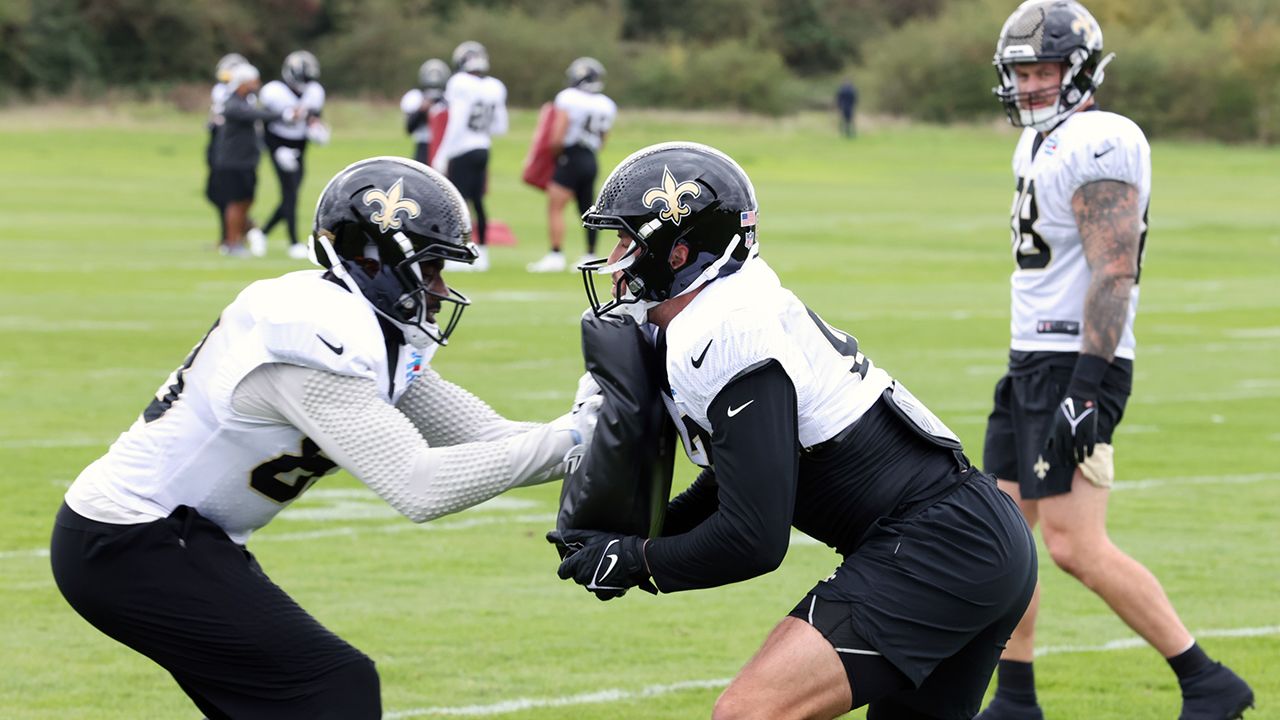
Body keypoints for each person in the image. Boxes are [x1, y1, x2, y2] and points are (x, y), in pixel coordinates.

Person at [50, 156, 601, 719]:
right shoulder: (312, 341)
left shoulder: (371, 333)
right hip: (128, 540)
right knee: (334, 685)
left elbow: (489, 435)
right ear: (378, 259)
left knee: (301, 697)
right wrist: (575, 436)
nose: (440, 290)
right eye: (432, 269)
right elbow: (421, 487)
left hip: (182, 539)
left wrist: (599, 428)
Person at [551, 141, 1038, 720]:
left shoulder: (723, 330)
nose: (615, 260)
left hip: (938, 547)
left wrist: (638, 560)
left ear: (676, 251)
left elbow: (753, 539)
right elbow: (743, 478)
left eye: (627, 241)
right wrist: (641, 537)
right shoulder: (732, 305)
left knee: (749, 713)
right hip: (971, 539)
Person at [976, 3, 1254, 719]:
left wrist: (1087, 388)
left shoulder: (1101, 138)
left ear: (1079, 71)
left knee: (1074, 545)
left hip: (1077, 361)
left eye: (1041, 71)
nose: (1029, 85)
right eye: (1020, 72)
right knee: (1003, 535)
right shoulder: (1040, 142)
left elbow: (1114, 269)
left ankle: (1206, 680)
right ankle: (1015, 698)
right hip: (1033, 356)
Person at [527, 57, 617, 273]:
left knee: (555, 207)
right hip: (591, 157)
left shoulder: (568, 98)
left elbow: (557, 137)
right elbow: (603, 140)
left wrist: (558, 155)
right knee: (588, 210)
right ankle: (590, 254)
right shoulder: (606, 104)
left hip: (571, 156)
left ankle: (556, 254)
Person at [432, 41, 508, 272]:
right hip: (483, 147)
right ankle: (482, 253)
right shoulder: (494, 86)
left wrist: (442, 154)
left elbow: (457, 121)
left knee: (459, 202)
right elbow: (500, 126)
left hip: (462, 149)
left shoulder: (459, 83)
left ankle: (461, 252)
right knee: (478, 202)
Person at [260, 50, 328, 259]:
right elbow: (263, 119)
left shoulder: (314, 91)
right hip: (278, 144)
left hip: (299, 146)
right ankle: (292, 242)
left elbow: (314, 117)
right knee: (289, 192)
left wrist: (316, 128)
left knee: (292, 194)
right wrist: (286, 117)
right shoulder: (274, 91)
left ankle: (261, 233)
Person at [210, 63, 282, 258]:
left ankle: (240, 238)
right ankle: (231, 243)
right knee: (235, 202)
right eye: (252, 82)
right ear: (243, 83)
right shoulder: (232, 103)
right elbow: (254, 115)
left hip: (246, 161)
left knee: (246, 201)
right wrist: (283, 114)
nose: (256, 85)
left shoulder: (245, 101)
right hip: (234, 162)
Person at [206, 53, 246, 252]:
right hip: (216, 146)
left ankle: (232, 236)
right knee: (214, 193)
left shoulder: (241, 97)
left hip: (231, 151)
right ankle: (238, 230)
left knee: (229, 196)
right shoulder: (221, 91)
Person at [401, 58, 450, 166]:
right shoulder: (415, 97)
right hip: (423, 146)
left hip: (444, 145)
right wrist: (422, 110)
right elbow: (409, 128)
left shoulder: (450, 98)